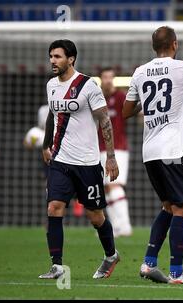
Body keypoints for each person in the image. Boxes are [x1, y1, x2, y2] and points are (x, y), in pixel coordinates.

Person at [123, 26, 183, 284]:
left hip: (149, 152)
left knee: (168, 206)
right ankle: (177, 273)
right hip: (173, 150)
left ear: (153, 46)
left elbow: (127, 111)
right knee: (182, 208)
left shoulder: (140, 72)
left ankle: (149, 264)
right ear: (174, 44)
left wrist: (149, 101)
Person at [39, 39, 120, 280]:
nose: (53, 61)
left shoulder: (88, 86)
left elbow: (105, 120)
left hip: (87, 163)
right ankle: (56, 266)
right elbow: (52, 117)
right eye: (51, 56)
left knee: (95, 216)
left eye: (58, 56)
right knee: (54, 208)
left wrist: (111, 157)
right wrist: (46, 144)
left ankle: (111, 254)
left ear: (71, 59)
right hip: (60, 161)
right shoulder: (51, 85)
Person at [98, 67, 133, 238]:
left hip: (118, 147)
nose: (108, 80)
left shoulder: (120, 97)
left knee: (114, 185)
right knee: (106, 188)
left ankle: (125, 226)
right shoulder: (97, 97)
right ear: (101, 79)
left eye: (111, 77)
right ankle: (115, 227)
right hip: (99, 148)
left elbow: (134, 110)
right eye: (105, 77)